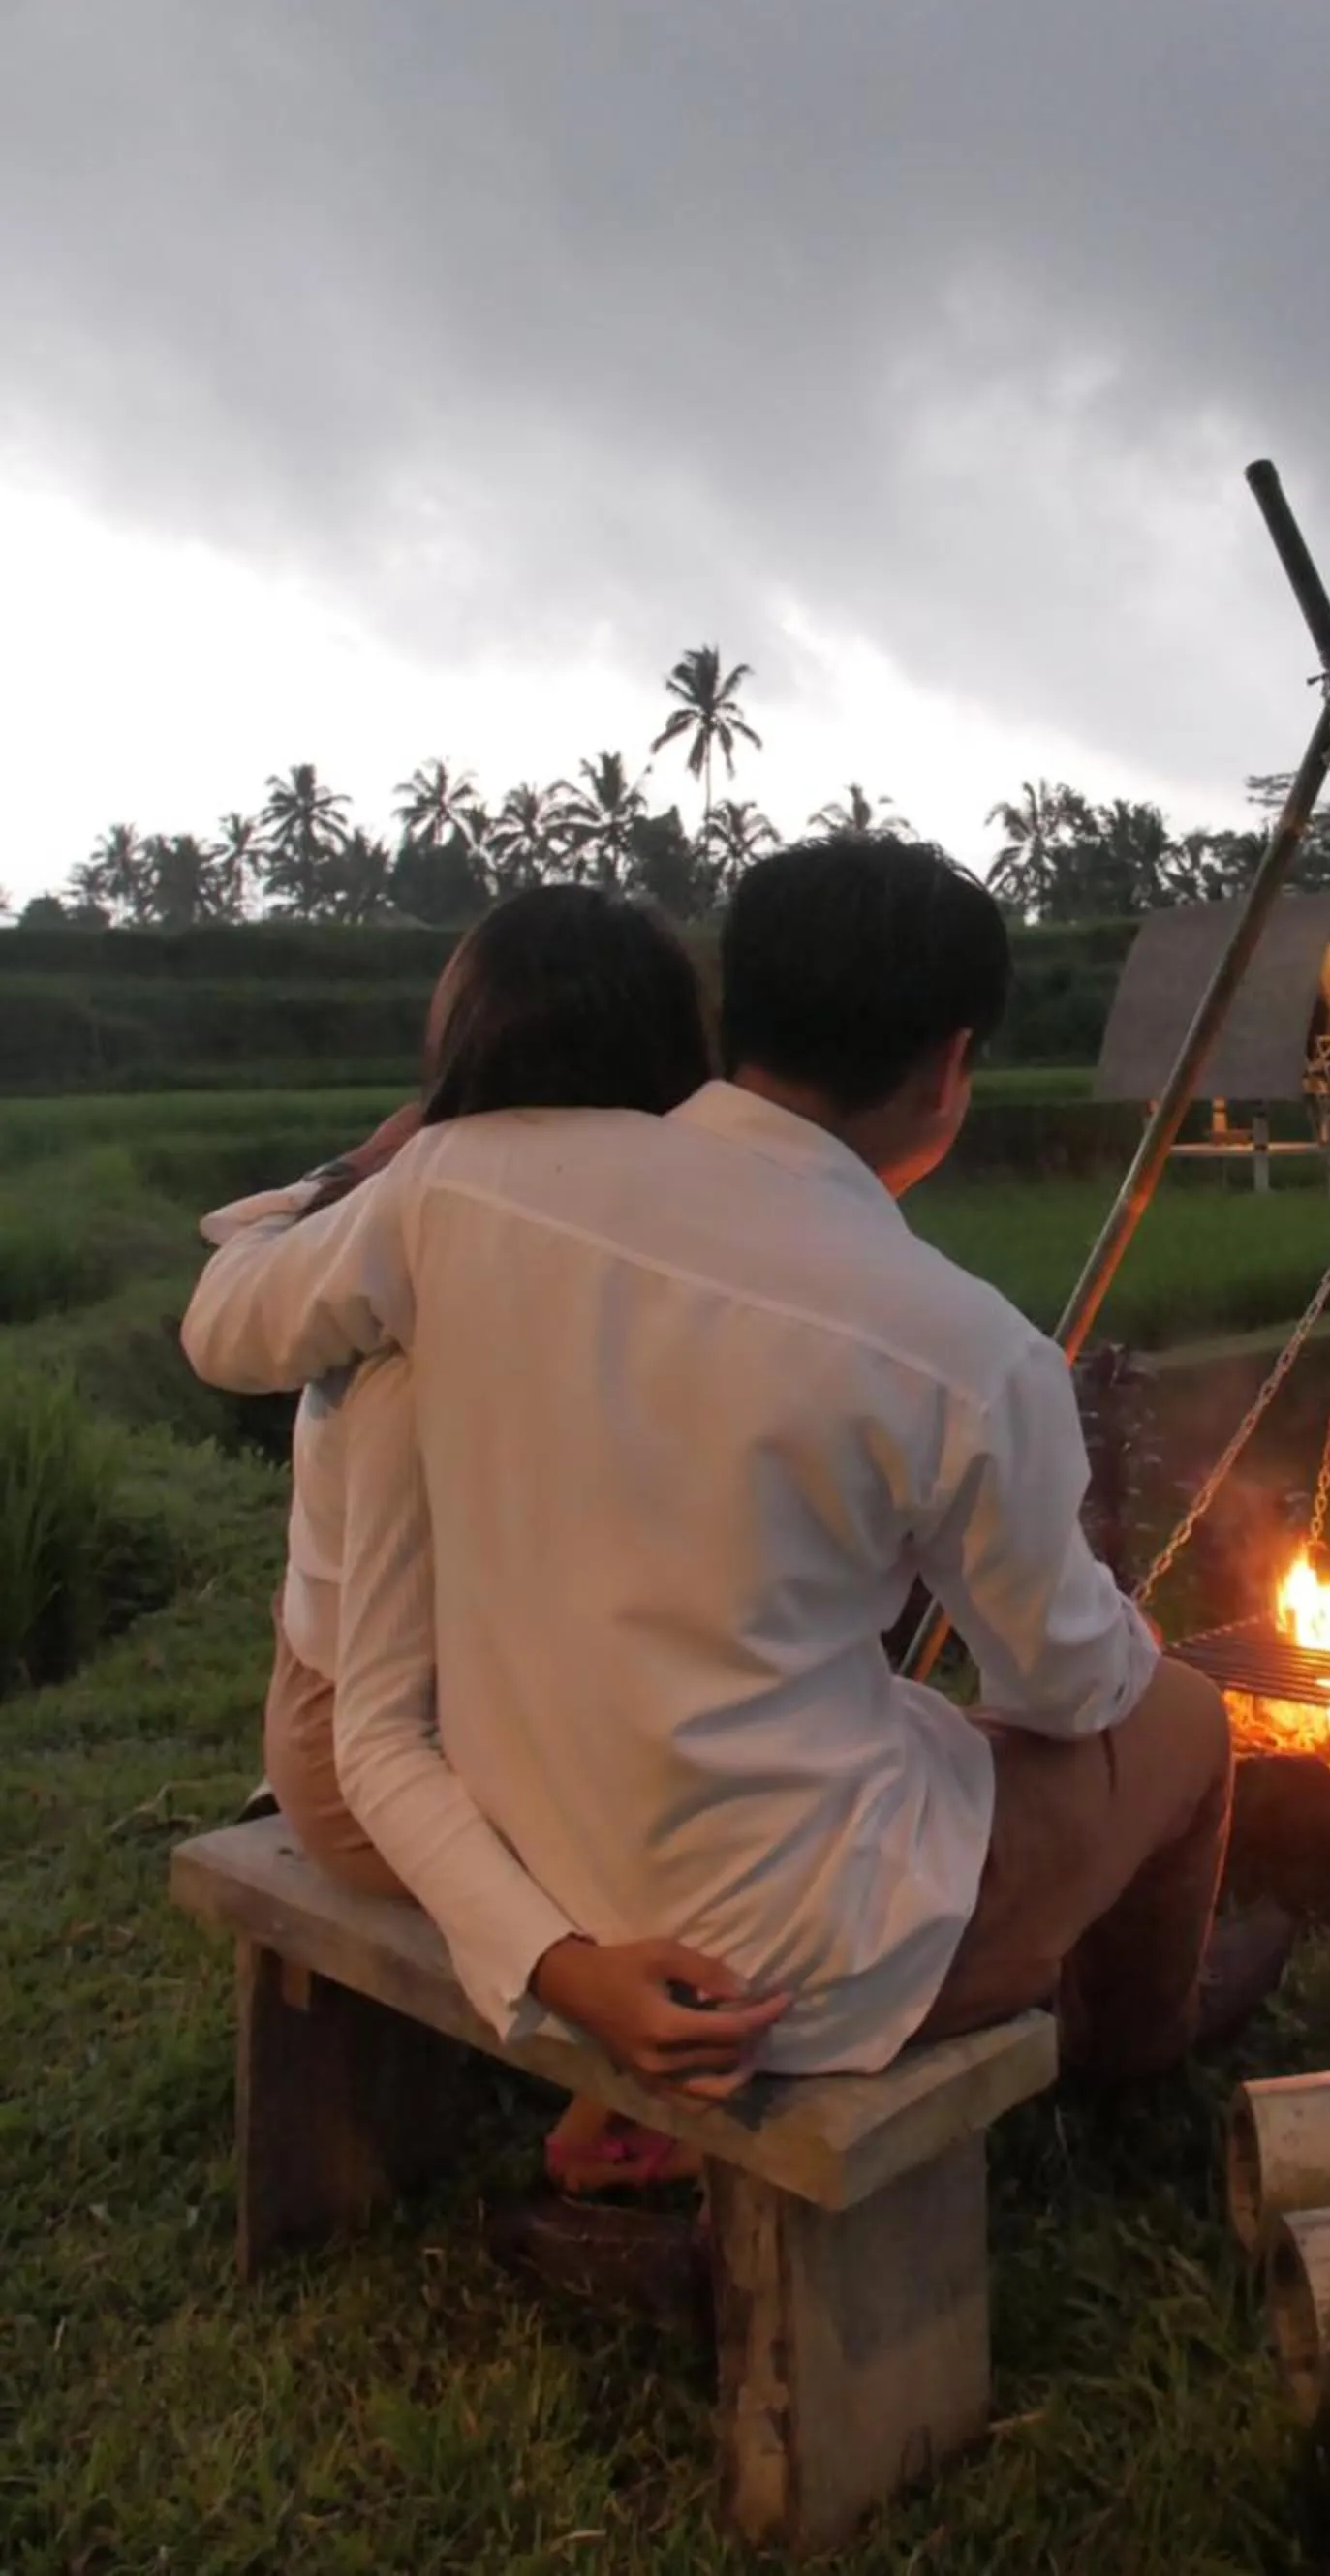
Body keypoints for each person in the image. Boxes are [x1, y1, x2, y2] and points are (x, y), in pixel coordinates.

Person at [181, 837, 1289, 2088]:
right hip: (775, 1969)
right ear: (950, 1067)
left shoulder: (459, 1185)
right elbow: (1066, 1688)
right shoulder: (967, 1349)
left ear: (738, 1015)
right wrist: (1114, 1647)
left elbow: (231, 1319)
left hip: (522, 1834)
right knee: (1179, 1721)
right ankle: (1139, 2058)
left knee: (903, 1717)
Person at [221, 886, 787, 2178]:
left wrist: (361, 1175)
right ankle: (620, 2104)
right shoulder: (415, 1311)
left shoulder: (443, 1226)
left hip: (500, 1689)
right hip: (373, 1739)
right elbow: (379, 1733)